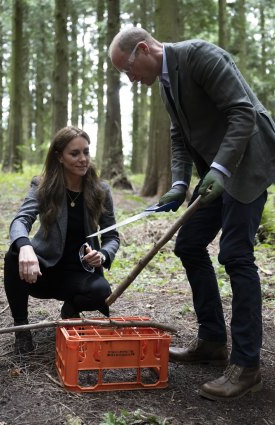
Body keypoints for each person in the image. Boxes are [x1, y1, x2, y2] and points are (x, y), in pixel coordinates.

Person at [109, 27, 275, 401]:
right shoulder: (167, 80)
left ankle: (247, 366)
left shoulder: (200, 56)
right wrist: (180, 183)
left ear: (144, 48)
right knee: (189, 245)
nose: (130, 78)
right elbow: (179, 134)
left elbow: (242, 112)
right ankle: (213, 341)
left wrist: (219, 168)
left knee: (235, 255)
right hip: (219, 169)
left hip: (247, 162)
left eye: (129, 69)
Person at [4, 126, 120, 355]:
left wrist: (103, 254)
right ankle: (22, 328)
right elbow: (20, 220)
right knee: (14, 256)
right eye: (74, 153)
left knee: (101, 290)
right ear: (59, 156)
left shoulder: (100, 190)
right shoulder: (43, 185)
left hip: (80, 274)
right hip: (43, 271)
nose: (83, 159)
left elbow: (111, 236)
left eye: (86, 152)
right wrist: (25, 246)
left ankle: (70, 309)